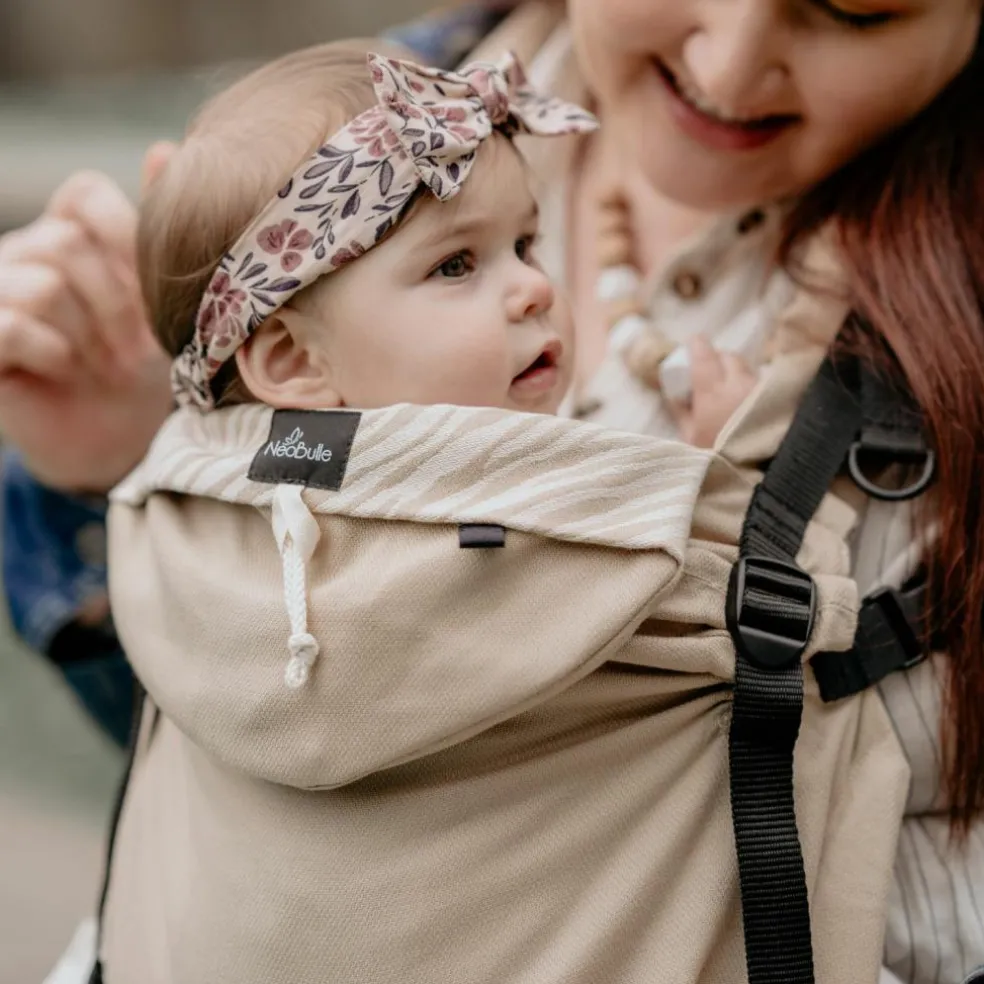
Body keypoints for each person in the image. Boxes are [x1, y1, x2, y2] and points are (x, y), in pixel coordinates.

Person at [1, 1, 983, 983]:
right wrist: (136, 457)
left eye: (857, 9)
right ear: (288, 359)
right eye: (459, 264)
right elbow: (271, 730)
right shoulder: (346, 119)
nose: (728, 67)